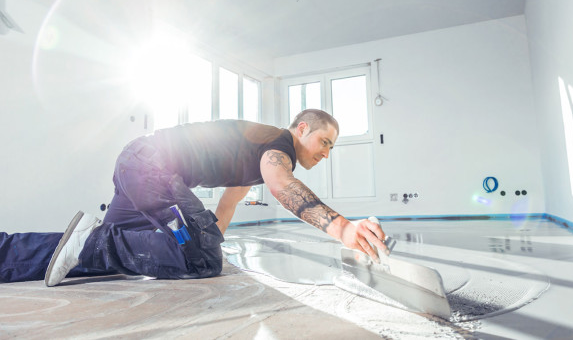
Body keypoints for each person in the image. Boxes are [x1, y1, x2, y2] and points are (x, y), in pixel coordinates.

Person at [1, 109, 388, 285]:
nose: (325, 152)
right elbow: (280, 184)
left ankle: (8, 255)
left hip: (139, 165)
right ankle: (93, 240)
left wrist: (202, 237)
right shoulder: (277, 145)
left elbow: (227, 206)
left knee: (93, 256)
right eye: (324, 141)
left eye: (331, 148)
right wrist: (341, 228)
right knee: (202, 259)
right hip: (152, 169)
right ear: (301, 128)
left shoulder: (255, 152)